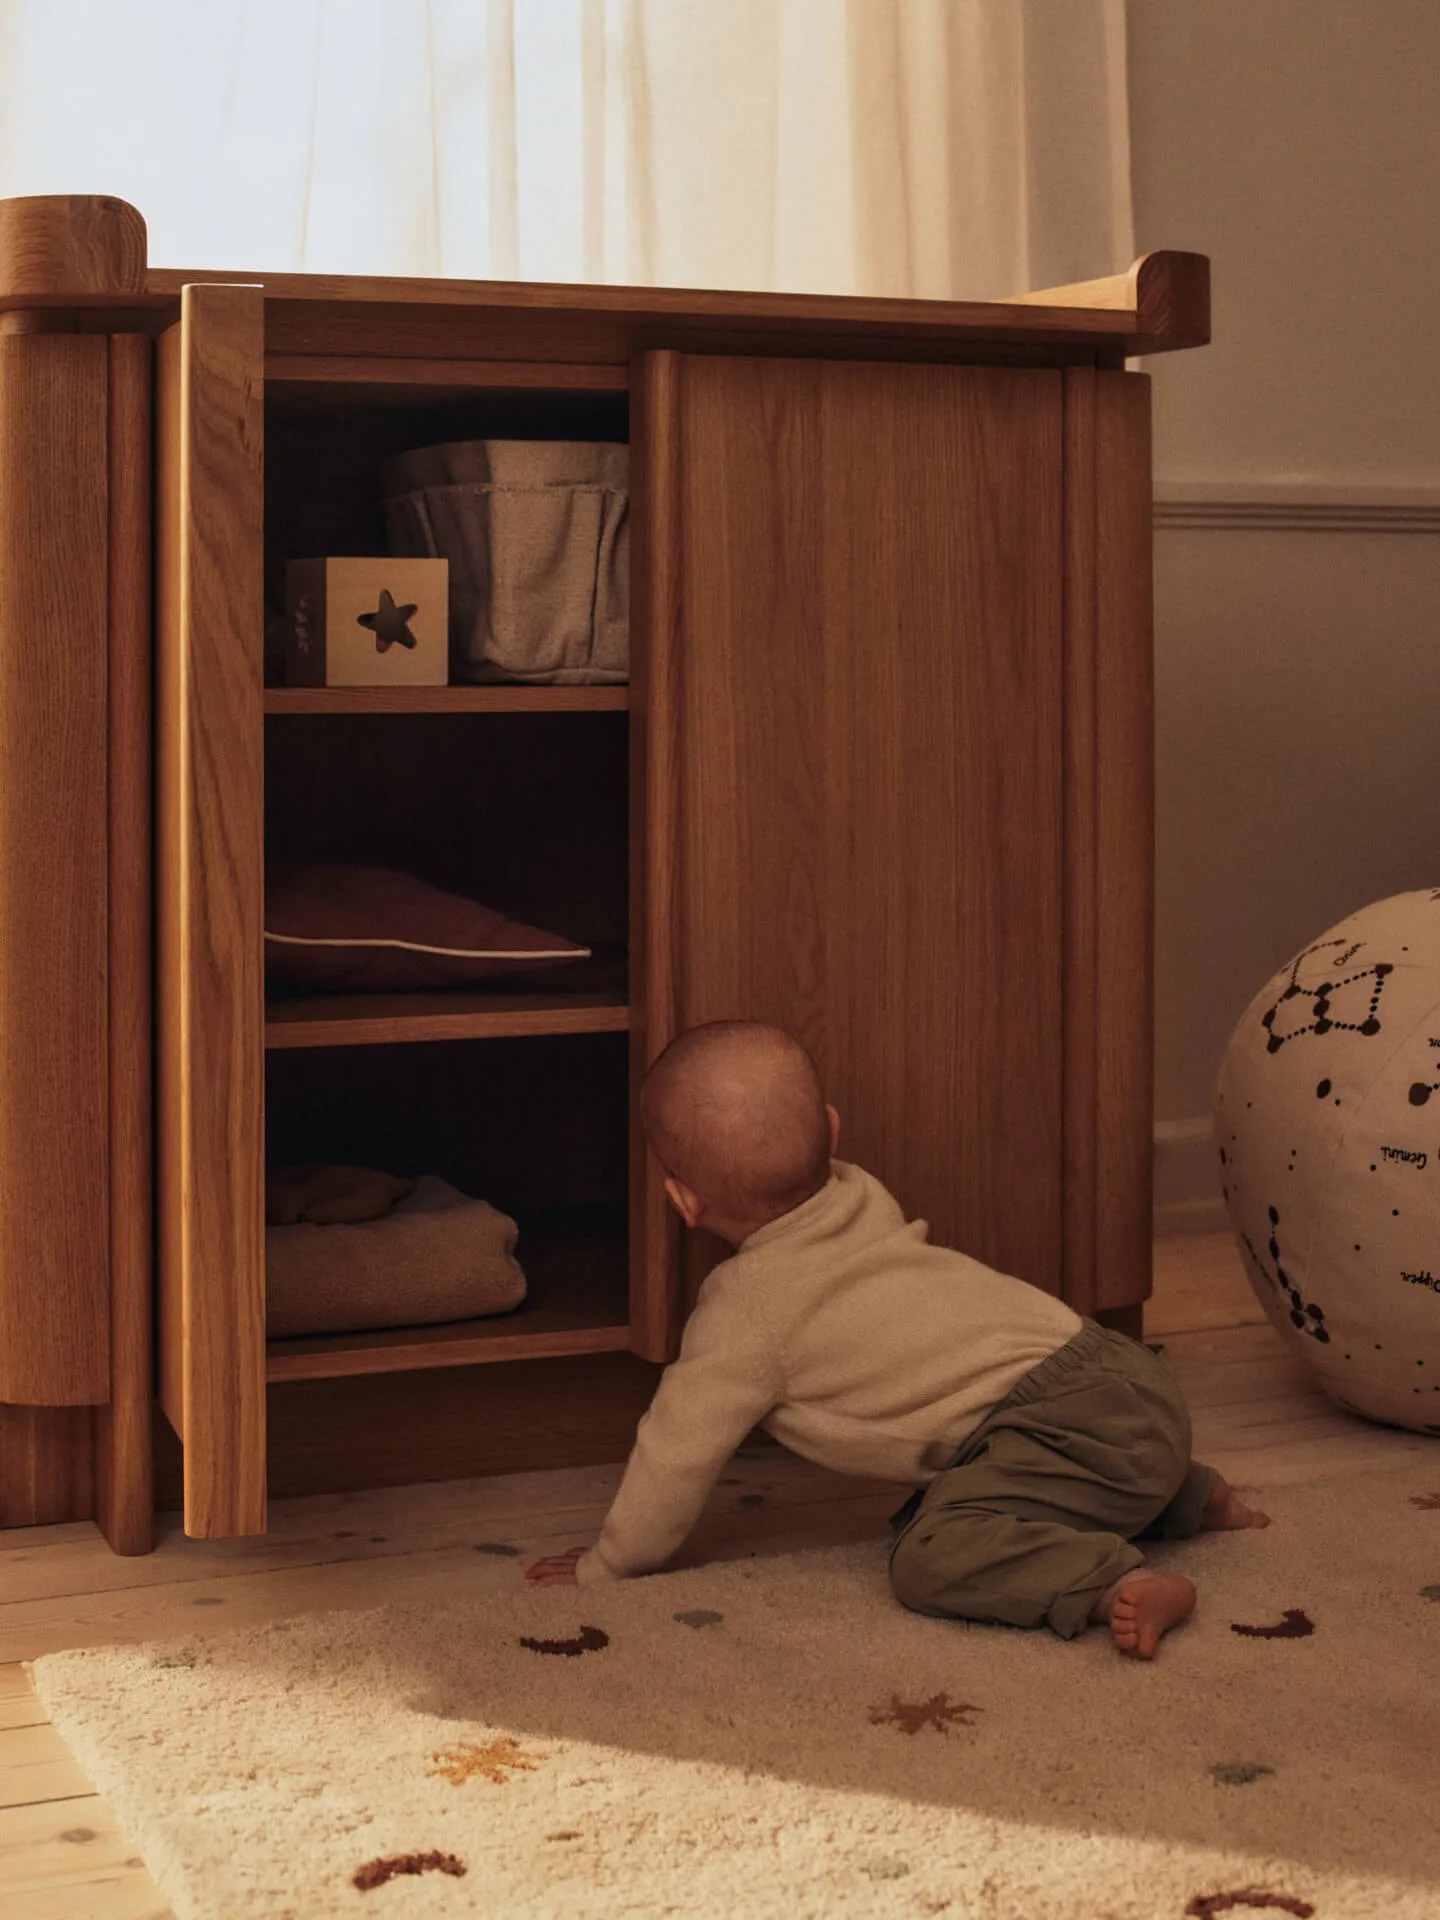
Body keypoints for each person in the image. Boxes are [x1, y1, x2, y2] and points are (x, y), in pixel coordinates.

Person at [526, 1021, 1268, 1658]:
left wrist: (610, 1565)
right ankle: (1193, 1498)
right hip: (1127, 1379)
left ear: (683, 1202)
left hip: (1065, 1427)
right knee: (989, 1485)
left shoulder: (743, 1316)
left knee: (933, 1552)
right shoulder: (858, 1195)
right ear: (835, 1131)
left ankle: (1119, 1584)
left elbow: (674, 1456)